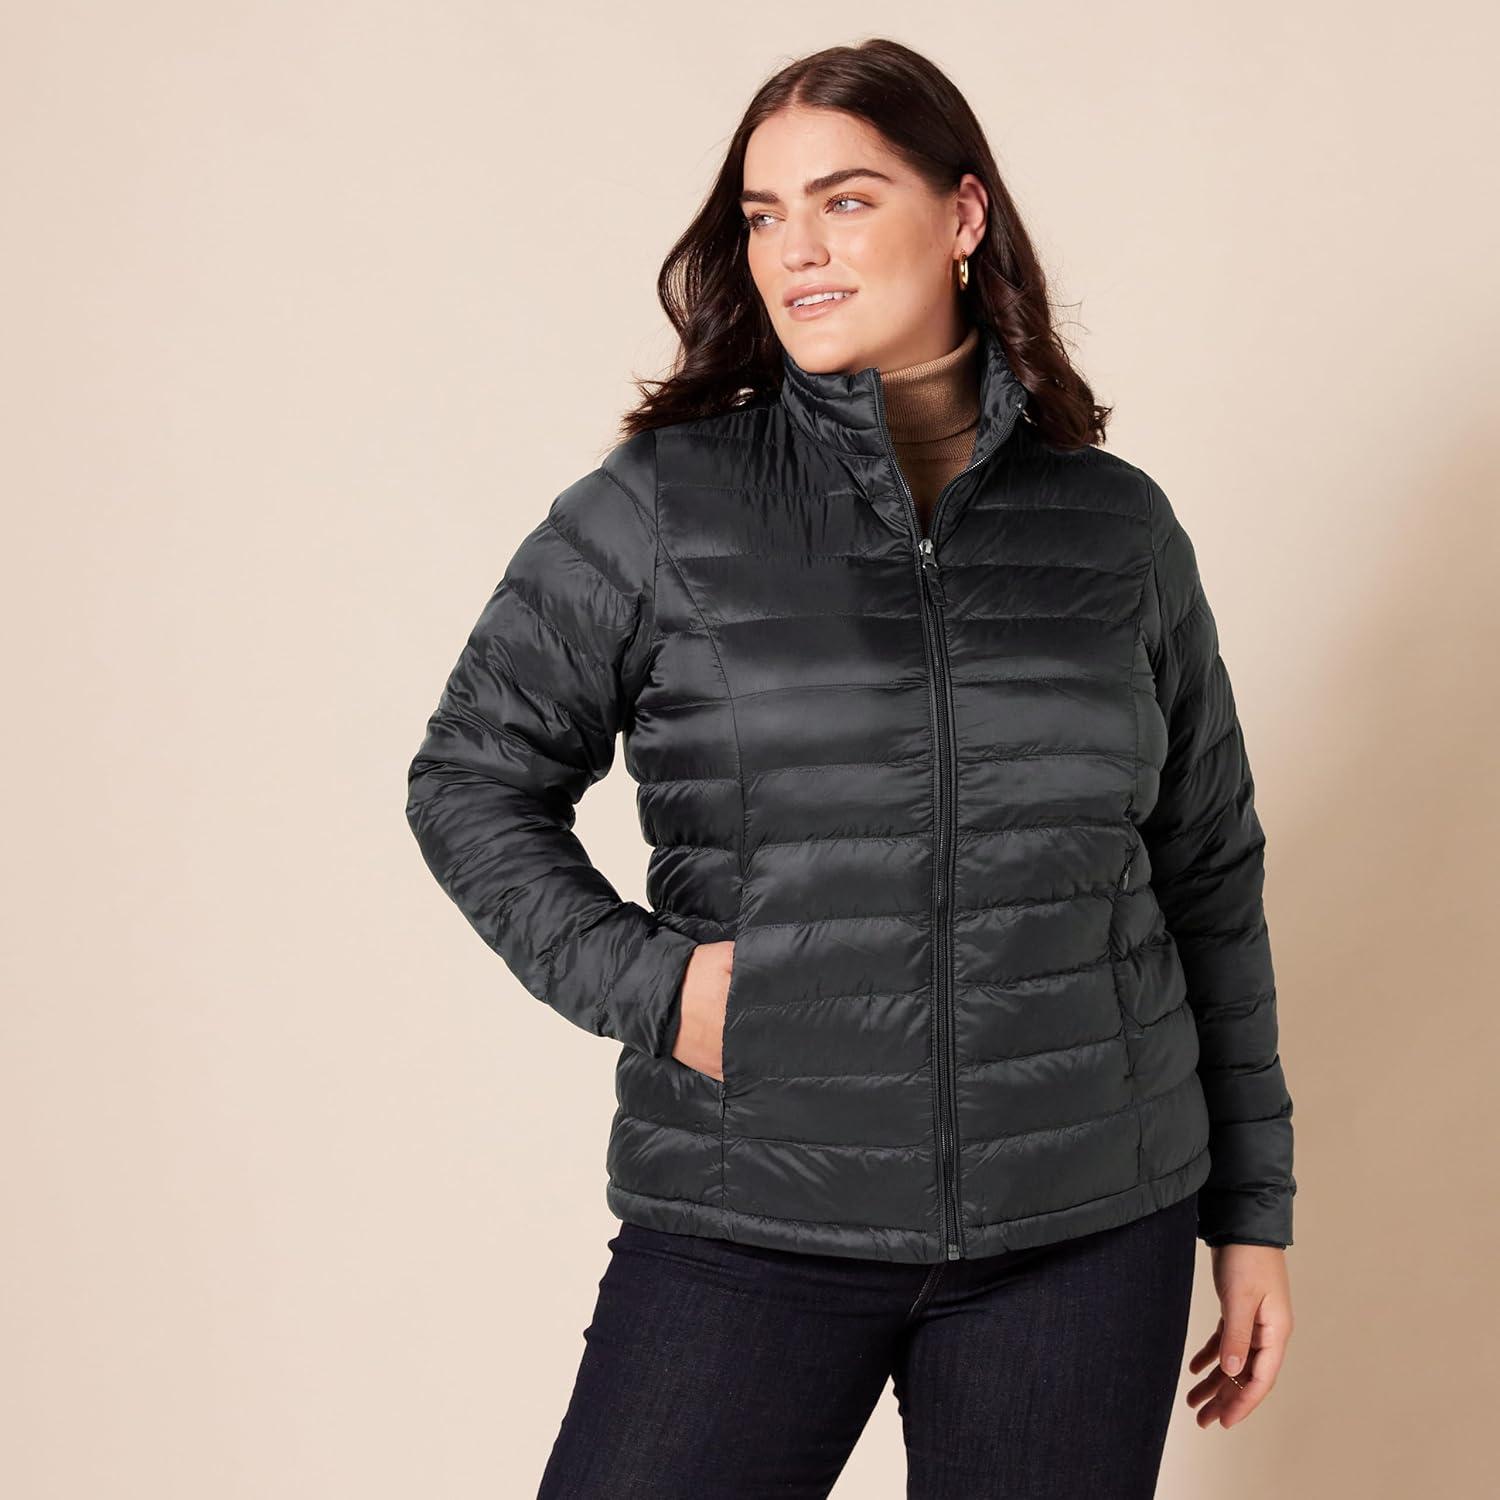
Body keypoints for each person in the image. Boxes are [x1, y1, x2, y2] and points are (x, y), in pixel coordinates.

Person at [405, 37, 1297, 1500]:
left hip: (1085, 1227)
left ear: (962, 215)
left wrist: (1251, 1214)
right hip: (751, 1209)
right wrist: (656, 988)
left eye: (845, 201)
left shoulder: (1116, 529)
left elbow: (1207, 870)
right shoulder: (662, 508)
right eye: (765, 215)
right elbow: (469, 779)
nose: (796, 250)